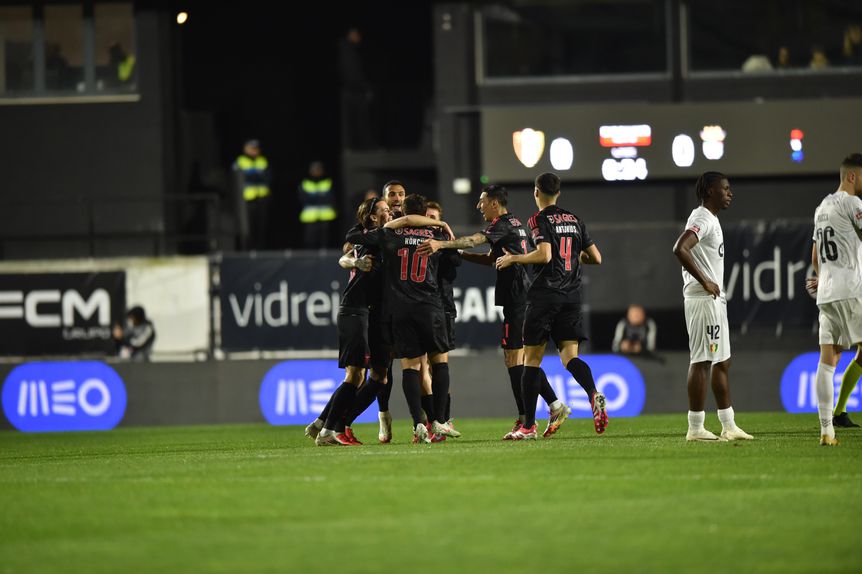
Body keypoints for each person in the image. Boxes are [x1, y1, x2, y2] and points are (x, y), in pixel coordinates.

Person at [419, 184, 571, 439]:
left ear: (493, 203)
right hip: (521, 296)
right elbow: (491, 258)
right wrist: (460, 253)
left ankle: (528, 419)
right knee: (520, 359)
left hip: (516, 298)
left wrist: (442, 245)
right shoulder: (515, 223)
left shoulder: (500, 224)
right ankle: (552, 406)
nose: (478, 206)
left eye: (482, 201)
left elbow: (473, 240)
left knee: (515, 360)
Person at [495, 173, 606, 441]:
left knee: (530, 360)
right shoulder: (575, 219)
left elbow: (544, 255)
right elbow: (596, 258)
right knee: (570, 358)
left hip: (545, 296)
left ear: (536, 192)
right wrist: (572, 257)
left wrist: (514, 259)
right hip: (571, 297)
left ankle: (528, 427)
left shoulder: (538, 219)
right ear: (558, 193)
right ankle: (593, 393)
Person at [348, 193, 461, 443]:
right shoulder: (436, 234)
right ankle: (440, 421)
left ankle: (419, 423)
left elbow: (353, 236)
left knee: (411, 367)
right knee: (439, 363)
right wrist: (440, 231)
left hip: (399, 309)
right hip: (430, 306)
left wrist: (393, 224)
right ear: (423, 213)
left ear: (403, 212)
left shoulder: (389, 234)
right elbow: (454, 261)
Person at [672, 172, 753, 442]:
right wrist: (704, 280)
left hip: (714, 300)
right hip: (702, 300)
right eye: (725, 188)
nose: (730, 193)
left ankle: (728, 425)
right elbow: (680, 248)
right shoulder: (702, 218)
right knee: (702, 360)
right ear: (710, 191)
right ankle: (695, 427)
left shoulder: (711, 218)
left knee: (721, 361)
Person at [306, 197, 392, 446]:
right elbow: (348, 247)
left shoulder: (368, 239)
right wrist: (356, 261)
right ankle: (328, 430)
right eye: (385, 210)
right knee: (355, 376)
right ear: (374, 217)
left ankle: (323, 423)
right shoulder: (375, 239)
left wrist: (353, 259)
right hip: (355, 311)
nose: (390, 213)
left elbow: (346, 252)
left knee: (362, 376)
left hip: (364, 312)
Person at [806, 153, 862, 445]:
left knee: (828, 361)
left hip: (826, 294)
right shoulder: (852, 203)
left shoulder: (822, 207)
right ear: (852, 176)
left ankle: (827, 428)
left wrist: (824, 276)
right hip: (852, 290)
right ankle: (837, 414)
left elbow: (816, 257)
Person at [338, 27, 376, 150]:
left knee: (352, 122)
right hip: (353, 90)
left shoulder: (349, 49)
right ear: (352, 34)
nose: (359, 38)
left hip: (351, 89)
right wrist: (366, 89)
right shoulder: (347, 50)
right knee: (359, 121)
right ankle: (364, 147)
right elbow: (353, 73)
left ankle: (355, 146)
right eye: (357, 35)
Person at [232, 139, 272, 250]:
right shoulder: (240, 161)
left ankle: (261, 249)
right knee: (248, 226)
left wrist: (250, 174)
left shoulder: (263, 161)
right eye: (252, 148)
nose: (254, 151)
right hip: (247, 200)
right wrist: (257, 175)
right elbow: (237, 178)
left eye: (256, 149)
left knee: (262, 225)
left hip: (262, 198)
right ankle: (248, 249)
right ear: (245, 149)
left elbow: (268, 177)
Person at [298, 161, 337, 250]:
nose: (316, 172)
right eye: (314, 170)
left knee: (325, 243)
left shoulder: (328, 182)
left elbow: (330, 198)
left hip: (326, 217)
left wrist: (313, 196)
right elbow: (303, 199)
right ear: (310, 171)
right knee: (310, 242)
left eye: (318, 169)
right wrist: (321, 196)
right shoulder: (305, 183)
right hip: (310, 218)